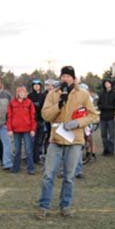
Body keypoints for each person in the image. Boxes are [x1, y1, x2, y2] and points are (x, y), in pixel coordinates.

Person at [37, 66, 97, 218]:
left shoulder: (83, 94)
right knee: (48, 175)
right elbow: (45, 115)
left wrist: (77, 123)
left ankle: (65, 205)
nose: (65, 79)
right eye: (63, 76)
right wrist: (59, 105)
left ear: (73, 78)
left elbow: (93, 115)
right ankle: (44, 206)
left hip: (75, 140)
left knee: (69, 177)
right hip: (55, 140)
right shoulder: (53, 94)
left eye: (68, 76)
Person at [7, 85, 37, 175]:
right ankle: (16, 167)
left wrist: (33, 129)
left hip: (27, 129)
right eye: (21, 92)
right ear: (17, 93)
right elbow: (9, 117)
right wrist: (9, 129)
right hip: (16, 129)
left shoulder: (29, 103)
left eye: (24, 92)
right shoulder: (12, 103)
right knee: (17, 150)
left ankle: (31, 168)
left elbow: (33, 117)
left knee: (28, 150)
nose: (23, 94)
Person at [97, 78, 115, 156]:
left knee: (111, 135)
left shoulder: (114, 94)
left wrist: (108, 107)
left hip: (111, 117)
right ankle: (105, 150)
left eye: (108, 83)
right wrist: (102, 107)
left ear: (111, 84)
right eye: (105, 83)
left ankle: (111, 151)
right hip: (103, 117)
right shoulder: (102, 93)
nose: (106, 84)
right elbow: (99, 104)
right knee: (103, 135)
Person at [28, 79, 48, 165]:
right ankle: (30, 157)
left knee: (39, 141)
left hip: (41, 121)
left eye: (38, 85)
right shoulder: (29, 96)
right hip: (32, 121)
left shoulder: (43, 96)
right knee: (31, 141)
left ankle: (37, 157)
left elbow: (45, 107)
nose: (36, 86)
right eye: (34, 85)